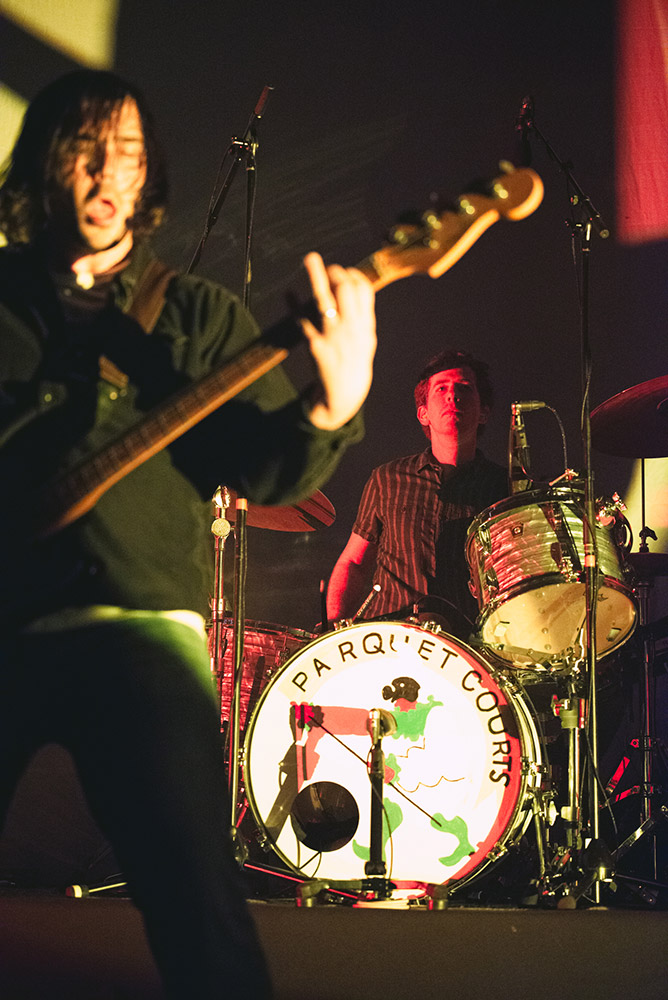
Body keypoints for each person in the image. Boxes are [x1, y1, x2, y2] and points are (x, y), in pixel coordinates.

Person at [0, 70, 376, 998]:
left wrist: (334, 403)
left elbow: (266, 467)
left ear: (148, 177)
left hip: (138, 626)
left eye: (126, 154)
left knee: (198, 901)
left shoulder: (199, 317)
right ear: (45, 165)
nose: (103, 173)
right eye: (84, 151)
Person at [326, 349, 507, 635]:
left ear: (484, 412)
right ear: (423, 413)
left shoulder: (505, 486)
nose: (452, 396)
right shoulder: (387, 478)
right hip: (387, 636)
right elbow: (355, 561)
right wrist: (334, 628)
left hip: (467, 643)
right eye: (441, 388)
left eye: (464, 388)